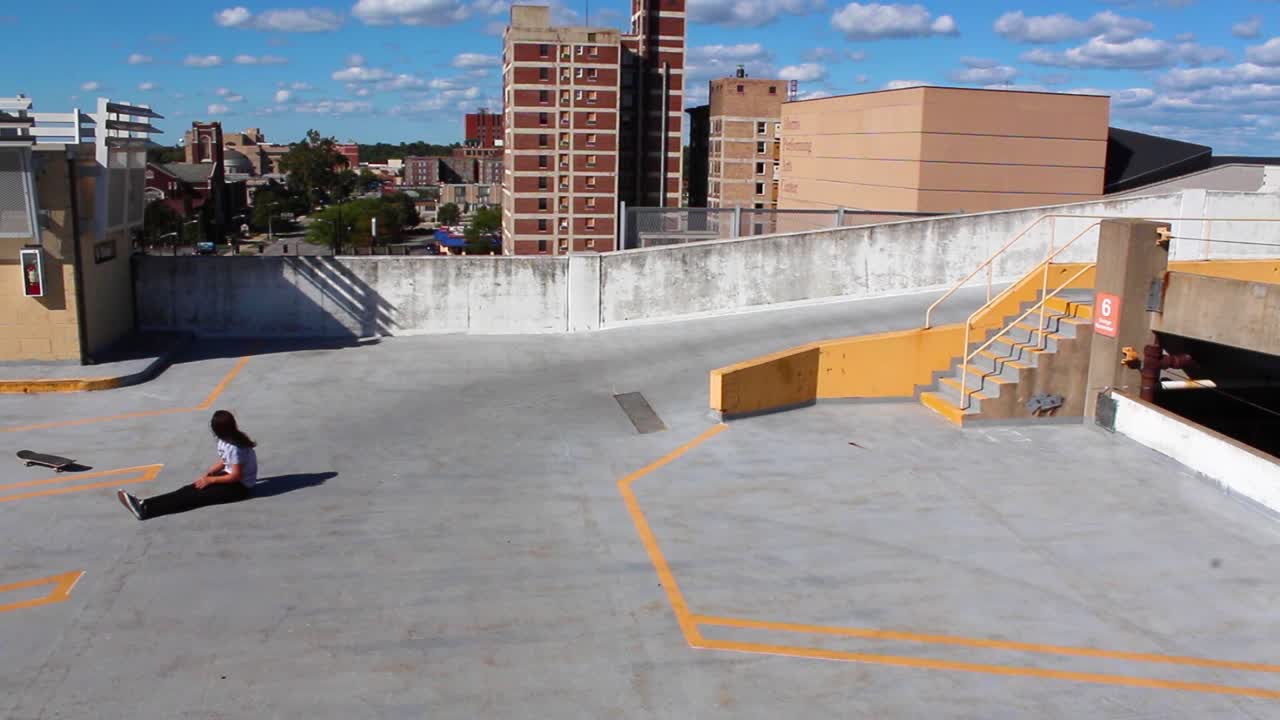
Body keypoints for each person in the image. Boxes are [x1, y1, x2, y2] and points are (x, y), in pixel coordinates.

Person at [118, 410, 258, 521]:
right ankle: (143, 503)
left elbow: (236, 475)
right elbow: (225, 461)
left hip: (239, 488)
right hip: (228, 479)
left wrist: (211, 480)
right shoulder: (226, 440)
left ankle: (146, 510)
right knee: (188, 490)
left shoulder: (235, 447)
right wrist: (210, 473)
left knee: (193, 498)